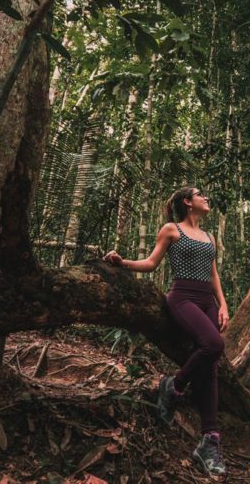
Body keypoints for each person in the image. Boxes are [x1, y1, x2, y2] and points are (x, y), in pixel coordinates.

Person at [103, 186, 229, 476]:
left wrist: (223, 305)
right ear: (188, 202)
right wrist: (123, 262)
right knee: (214, 345)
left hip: (207, 301)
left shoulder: (210, 237)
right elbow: (151, 262)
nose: (206, 198)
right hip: (182, 297)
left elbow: (213, 274)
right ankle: (175, 385)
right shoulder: (172, 229)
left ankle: (209, 441)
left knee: (211, 366)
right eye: (201, 195)